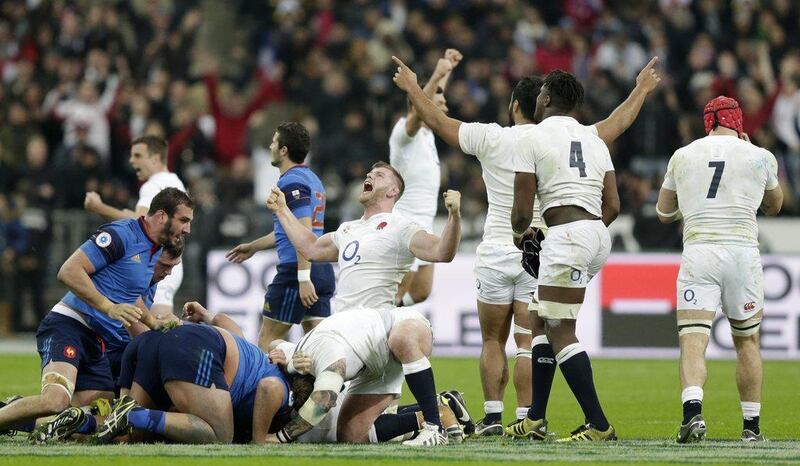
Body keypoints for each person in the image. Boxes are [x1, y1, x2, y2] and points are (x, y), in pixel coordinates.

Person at [391, 55, 660, 435]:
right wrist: (641, 90)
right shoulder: (589, 136)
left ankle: (507, 417)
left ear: (526, 104)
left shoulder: (508, 137)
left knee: (505, 337)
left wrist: (414, 89)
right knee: (533, 330)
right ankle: (529, 417)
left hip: (519, 245)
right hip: (566, 243)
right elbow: (617, 130)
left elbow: (440, 122)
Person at [0, 188, 193, 435]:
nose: (187, 229)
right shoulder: (121, 235)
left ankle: (15, 414)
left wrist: (154, 323)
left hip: (96, 341)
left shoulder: (151, 251)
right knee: (56, 401)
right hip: (69, 324)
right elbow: (68, 271)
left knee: (97, 417)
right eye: (184, 220)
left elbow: (130, 294)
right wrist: (108, 307)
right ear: (162, 216)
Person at [656, 96, 783, 443]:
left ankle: (693, 414)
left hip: (700, 252)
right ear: (738, 122)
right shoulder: (759, 156)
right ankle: (751, 428)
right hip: (742, 252)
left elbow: (664, 212)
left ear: (707, 122)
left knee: (693, 341)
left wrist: (694, 206)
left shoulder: (683, 155)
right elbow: (776, 205)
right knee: (747, 341)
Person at [508, 70, 620, 442]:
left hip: (567, 235)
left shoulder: (533, 136)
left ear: (545, 99)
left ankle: (599, 425)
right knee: (541, 319)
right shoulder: (594, 138)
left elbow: (523, 210)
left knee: (560, 330)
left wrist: (519, 234)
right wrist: (587, 232)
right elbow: (614, 205)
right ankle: (536, 418)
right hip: (596, 234)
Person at [266, 162, 461, 311]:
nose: (369, 176)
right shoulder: (347, 229)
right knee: (282, 351)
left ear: (393, 191)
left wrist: (454, 216)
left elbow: (442, 252)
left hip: (374, 323)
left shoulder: (402, 226)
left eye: (379, 175)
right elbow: (310, 249)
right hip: (343, 322)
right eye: (369, 174)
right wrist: (282, 210)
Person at [262, 307, 449, 446]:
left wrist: (280, 437)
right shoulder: (299, 355)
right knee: (351, 435)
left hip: (404, 325)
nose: (334, 403)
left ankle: (435, 426)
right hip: (373, 366)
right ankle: (442, 409)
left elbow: (323, 402)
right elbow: (275, 344)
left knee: (401, 338)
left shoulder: (330, 362)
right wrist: (282, 358)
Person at [226, 122, 335, 351]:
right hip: (321, 268)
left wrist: (303, 279)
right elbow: (291, 230)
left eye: (274, 141)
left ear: (284, 150)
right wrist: (254, 246)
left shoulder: (291, 181)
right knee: (320, 348)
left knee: (266, 343)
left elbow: (303, 233)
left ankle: (272, 387)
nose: (270, 146)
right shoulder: (312, 179)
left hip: (297, 270)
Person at [84, 135, 187, 317]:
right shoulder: (175, 181)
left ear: (155, 159)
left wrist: (98, 207)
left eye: (138, 155)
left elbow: (139, 221)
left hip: (160, 261)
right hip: (169, 261)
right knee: (152, 324)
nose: (132, 160)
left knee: (155, 328)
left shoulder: (153, 185)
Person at [389, 48, 462, 307]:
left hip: (424, 224)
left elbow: (430, 103)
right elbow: (423, 107)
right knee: (399, 291)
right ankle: (381, 338)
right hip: (404, 225)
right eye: (438, 106)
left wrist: (446, 72)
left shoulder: (428, 135)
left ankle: (390, 317)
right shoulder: (403, 134)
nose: (445, 109)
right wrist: (437, 73)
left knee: (421, 291)